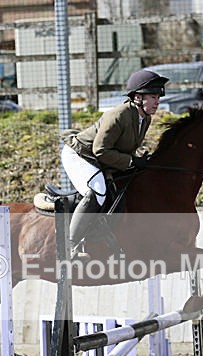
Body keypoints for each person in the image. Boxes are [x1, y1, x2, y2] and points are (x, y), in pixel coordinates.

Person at [61, 68, 169, 252]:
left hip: (99, 158)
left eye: (158, 97)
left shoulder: (145, 118)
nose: (157, 101)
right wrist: (131, 162)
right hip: (80, 155)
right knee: (97, 191)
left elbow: (123, 147)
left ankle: (100, 235)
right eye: (153, 97)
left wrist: (137, 160)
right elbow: (100, 150)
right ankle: (69, 246)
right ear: (137, 98)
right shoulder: (118, 115)